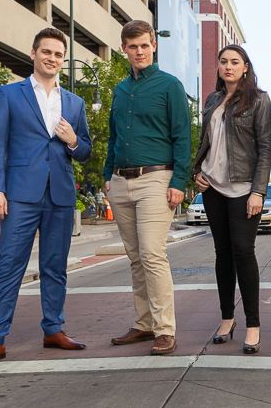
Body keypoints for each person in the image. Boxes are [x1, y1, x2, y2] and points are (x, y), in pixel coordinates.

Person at [0, 27, 92, 367]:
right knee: (9, 266)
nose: (52, 58)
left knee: (55, 267)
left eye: (58, 55)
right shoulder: (9, 94)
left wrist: (72, 141)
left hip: (61, 194)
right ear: (33, 54)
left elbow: (85, 152)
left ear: (63, 61)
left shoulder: (75, 102)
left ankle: (54, 329)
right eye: (46, 52)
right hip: (20, 194)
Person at [105, 20, 191, 356]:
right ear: (124, 49)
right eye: (132, 46)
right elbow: (113, 136)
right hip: (120, 182)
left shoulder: (170, 86)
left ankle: (165, 329)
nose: (139, 52)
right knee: (135, 258)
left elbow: (182, 136)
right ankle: (143, 324)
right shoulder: (120, 89)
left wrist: (179, 181)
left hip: (157, 179)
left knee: (153, 255)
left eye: (144, 45)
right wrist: (106, 175)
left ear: (153, 45)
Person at [193, 45, 271, 355]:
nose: (228, 66)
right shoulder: (213, 100)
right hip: (212, 187)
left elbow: (266, 148)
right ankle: (227, 319)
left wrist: (258, 191)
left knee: (244, 252)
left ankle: (252, 325)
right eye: (223, 61)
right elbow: (207, 143)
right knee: (222, 254)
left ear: (245, 67)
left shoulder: (259, 99)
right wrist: (196, 172)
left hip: (243, 189)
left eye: (234, 62)